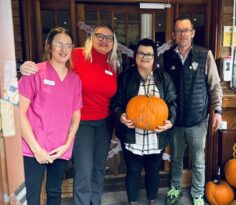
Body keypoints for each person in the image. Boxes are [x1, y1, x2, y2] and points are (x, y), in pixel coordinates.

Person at [20, 24, 119, 205]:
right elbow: (48, 65)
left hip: (103, 123)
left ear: (114, 42)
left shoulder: (111, 65)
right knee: (83, 170)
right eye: (100, 36)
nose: (104, 40)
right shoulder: (76, 55)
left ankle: (94, 202)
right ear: (91, 37)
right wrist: (24, 66)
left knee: (97, 169)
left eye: (109, 38)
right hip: (81, 123)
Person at [163, 16, 223, 205]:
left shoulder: (205, 55)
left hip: (198, 120)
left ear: (193, 33)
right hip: (175, 120)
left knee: (198, 160)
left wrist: (218, 111)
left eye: (186, 30)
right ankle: (175, 188)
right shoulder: (168, 57)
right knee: (176, 158)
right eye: (179, 31)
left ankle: (197, 194)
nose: (183, 34)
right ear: (174, 34)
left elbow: (215, 86)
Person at [19, 27, 82, 205]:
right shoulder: (34, 73)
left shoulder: (75, 80)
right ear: (49, 46)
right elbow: (19, 113)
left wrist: (67, 145)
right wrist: (36, 149)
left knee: (54, 193)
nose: (63, 49)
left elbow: (76, 116)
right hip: (32, 148)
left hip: (59, 148)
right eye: (59, 44)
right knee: (32, 196)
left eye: (68, 45)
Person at [111, 38, 177, 205]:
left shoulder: (164, 78)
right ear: (135, 56)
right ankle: (133, 202)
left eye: (149, 54)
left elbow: (172, 102)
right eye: (141, 53)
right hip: (132, 134)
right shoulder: (126, 77)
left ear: (154, 57)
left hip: (156, 135)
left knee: (153, 170)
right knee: (133, 171)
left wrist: (171, 120)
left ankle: (151, 200)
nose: (145, 57)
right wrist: (121, 116)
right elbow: (116, 102)